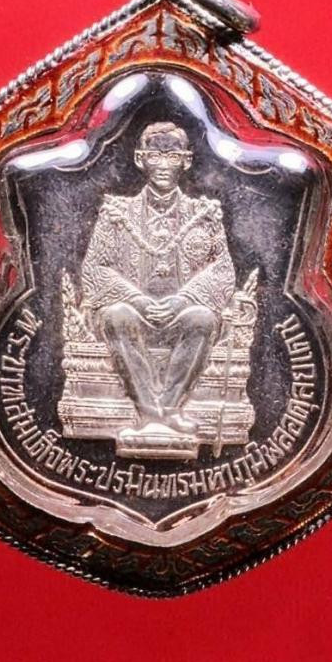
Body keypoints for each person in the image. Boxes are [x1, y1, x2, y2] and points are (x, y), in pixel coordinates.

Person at [81, 121, 235, 434]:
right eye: (155, 156)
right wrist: (136, 299)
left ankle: (172, 409)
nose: (163, 165)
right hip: (134, 315)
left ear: (186, 161)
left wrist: (183, 300)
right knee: (116, 314)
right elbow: (95, 268)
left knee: (203, 318)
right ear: (140, 159)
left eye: (172, 157)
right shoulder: (116, 213)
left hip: (182, 316)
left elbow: (222, 270)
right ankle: (149, 413)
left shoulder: (203, 214)